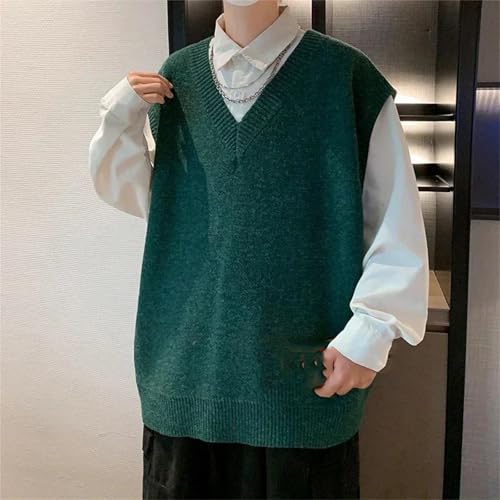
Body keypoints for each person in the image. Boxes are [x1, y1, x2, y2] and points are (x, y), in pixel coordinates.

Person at [88, 1, 429, 498]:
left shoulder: (345, 77)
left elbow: (396, 221)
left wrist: (372, 332)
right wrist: (118, 121)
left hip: (302, 382)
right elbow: (157, 204)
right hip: (185, 375)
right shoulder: (177, 78)